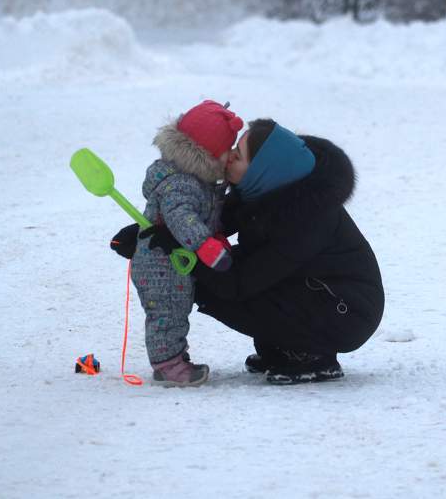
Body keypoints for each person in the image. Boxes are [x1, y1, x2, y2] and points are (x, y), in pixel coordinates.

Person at [133, 118, 384, 385]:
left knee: (216, 282)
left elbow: (239, 284)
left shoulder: (304, 219)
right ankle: (284, 349)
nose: (228, 157)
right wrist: (148, 233)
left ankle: (310, 354)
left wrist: (184, 254)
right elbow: (213, 221)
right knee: (223, 271)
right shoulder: (268, 188)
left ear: (261, 171)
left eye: (238, 156)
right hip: (317, 291)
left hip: (346, 314)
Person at [112, 100, 243, 387]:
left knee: (175, 310)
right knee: (167, 313)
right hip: (161, 262)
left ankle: (172, 360)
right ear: (208, 155)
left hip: (172, 261)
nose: (231, 157)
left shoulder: (192, 179)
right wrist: (206, 246)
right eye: (227, 151)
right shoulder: (181, 185)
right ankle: (169, 366)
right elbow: (181, 219)